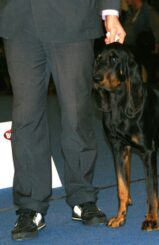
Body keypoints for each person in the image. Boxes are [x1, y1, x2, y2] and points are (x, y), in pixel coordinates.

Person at [0, 0, 126, 241]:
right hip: (18, 19)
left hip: (73, 18)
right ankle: (30, 205)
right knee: (25, 116)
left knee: (76, 112)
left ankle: (82, 197)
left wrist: (110, 10)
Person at [122, 0, 159, 83]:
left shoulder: (149, 11)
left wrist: (156, 48)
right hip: (128, 47)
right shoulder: (130, 13)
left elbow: (157, 31)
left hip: (143, 48)